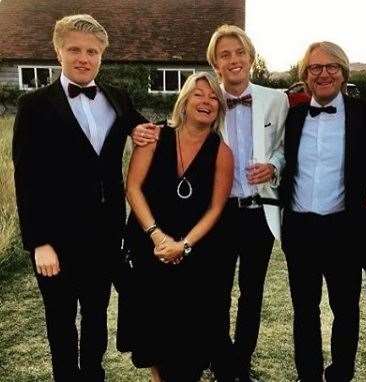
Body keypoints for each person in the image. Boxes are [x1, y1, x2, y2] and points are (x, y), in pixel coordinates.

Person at [11, 14, 155, 381]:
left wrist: (141, 130)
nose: (83, 58)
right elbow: (26, 178)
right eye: (74, 49)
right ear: (58, 52)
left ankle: (93, 374)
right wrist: (39, 242)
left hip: (105, 235)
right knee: (60, 321)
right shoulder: (34, 105)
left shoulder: (118, 98)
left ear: (101, 57)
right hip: (55, 239)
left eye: (92, 51)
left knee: (96, 316)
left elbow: (145, 129)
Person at [117, 71, 234, 382]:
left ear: (219, 109)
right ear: (184, 101)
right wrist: (157, 237)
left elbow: (216, 208)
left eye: (213, 98)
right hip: (149, 249)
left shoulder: (222, 152)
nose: (206, 101)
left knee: (189, 343)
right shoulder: (154, 137)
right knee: (154, 338)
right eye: (199, 94)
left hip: (195, 255)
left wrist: (183, 244)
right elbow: (133, 189)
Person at [279, 41, 366, 382]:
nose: (323, 73)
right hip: (299, 228)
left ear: (343, 72)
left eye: (331, 67)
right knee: (304, 312)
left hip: (346, 229)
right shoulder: (292, 116)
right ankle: (308, 375)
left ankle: (340, 374)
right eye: (315, 68)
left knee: (346, 311)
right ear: (305, 76)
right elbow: (278, 157)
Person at [205, 24, 289, 382]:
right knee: (215, 292)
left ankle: (241, 363)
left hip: (259, 214)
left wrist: (274, 165)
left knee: (251, 293)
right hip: (218, 214)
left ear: (251, 59)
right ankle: (221, 361)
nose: (234, 60)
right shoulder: (206, 100)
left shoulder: (276, 99)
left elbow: (286, 147)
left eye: (240, 53)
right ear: (216, 64)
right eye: (225, 55)